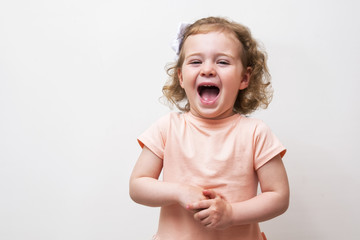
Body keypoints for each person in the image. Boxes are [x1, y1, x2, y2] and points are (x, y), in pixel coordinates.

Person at [129, 16, 289, 240]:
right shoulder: (167, 128)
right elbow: (137, 186)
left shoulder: (255, 133)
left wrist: (232, 214)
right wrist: (178, 191)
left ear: (244, 78)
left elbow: (279, 196)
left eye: (222, 62)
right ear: (181, 76)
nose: (208, 70)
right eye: (196, 62)